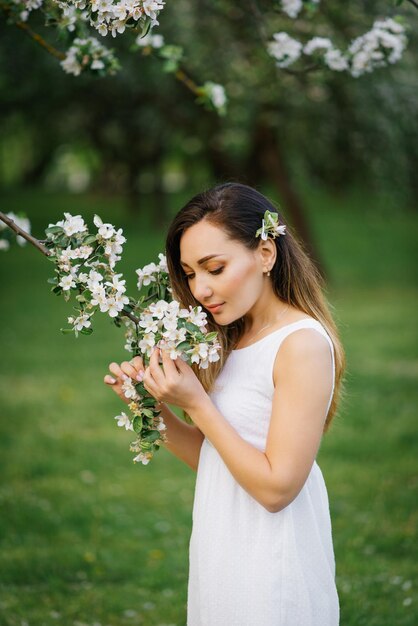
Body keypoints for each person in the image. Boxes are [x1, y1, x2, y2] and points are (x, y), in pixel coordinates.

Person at [104, 182, 346, 626]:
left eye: (214, 268)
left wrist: (196, 404)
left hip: (274, 564)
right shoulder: (231, 340)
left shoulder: (301, 345)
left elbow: (277, 489)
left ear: (265, 254)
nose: (200, 289)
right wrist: (153, 411)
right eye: (190, 273)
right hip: (223, 548)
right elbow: (218, 458)